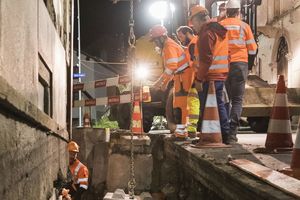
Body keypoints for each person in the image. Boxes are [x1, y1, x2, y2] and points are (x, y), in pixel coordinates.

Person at [189, 5, 231, 144]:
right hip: (218, 74)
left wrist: (199, 79)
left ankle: (218, 136)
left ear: (198, 19)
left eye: (193, 22)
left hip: (209, 76)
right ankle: (221, 135)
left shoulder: (206, 33)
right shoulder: (218, 30)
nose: (193, 26)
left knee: (211, 106)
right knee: (218, 105)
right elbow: (227, 54)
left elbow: (206, 60)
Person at [219, 0, 258, 143]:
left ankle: (224, 131)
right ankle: (232, 133)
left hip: (223, 66)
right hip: (240, 65)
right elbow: (253, 49)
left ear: (226, 11)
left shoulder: (220, 26)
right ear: (238, 11)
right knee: (237, 100)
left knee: (225, 99)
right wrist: (249, 66)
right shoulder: (244, 26)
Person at [150, 24, 194, 139]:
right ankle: (180, 132)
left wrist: (158, 84)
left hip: (184, 77)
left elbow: (171, 68)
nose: (155, 43)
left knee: (181, 106)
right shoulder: (167, 46)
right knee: (179, 106)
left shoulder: (169, 46)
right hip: (180, 77)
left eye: (155, 40)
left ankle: (181, 132)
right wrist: (164, 84)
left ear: (161, 37)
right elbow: (171, 69)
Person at [176, 26, 200, 136]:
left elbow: (195, 63)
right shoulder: (194, 43)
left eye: (181, 36)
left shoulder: (193, 44)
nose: (180, 39)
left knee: (193, 101)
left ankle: (192, 129)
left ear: (187, 33)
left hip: (198, 77)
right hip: (198, 76)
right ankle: (193, 128)